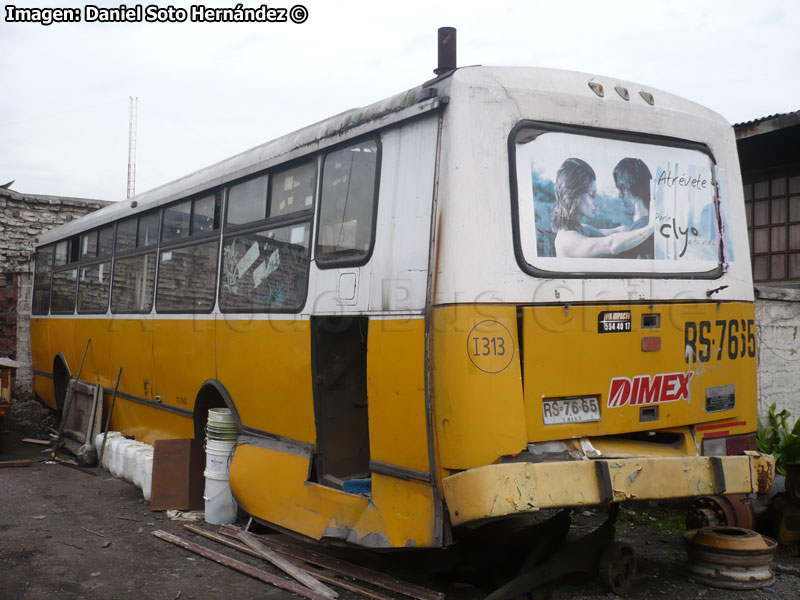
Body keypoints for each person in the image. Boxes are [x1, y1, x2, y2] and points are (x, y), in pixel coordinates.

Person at [551, 158, 652, 258]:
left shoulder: (582, 229)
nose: (596, 202)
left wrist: (641, 224)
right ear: (575, 194)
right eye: (592, 194)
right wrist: (652, 226)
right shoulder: (566, 240)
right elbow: (611, 245)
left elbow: (617, 231)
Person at [613, 158, 654, 259]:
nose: (619, 195)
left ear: (636, 188)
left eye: (622, 188)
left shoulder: (641, 230)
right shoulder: (641, 227)